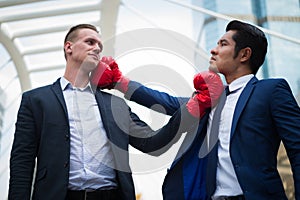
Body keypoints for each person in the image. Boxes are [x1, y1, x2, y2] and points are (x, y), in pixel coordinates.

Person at [8, 24, 223, 200]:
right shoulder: (36, 100)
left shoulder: (115, 104)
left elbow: (152, 143)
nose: (97, 48)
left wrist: (192, 109)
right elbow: (22, 162)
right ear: (69, 47)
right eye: (89, 42)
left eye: (100, 45)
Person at [94, 20, 300, 199]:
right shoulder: (210, 99)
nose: (213, 49)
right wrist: (119, 82)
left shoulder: (271, 90)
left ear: (245, 54)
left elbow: (297, 148)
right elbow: (165, 102)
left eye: (223, 44)